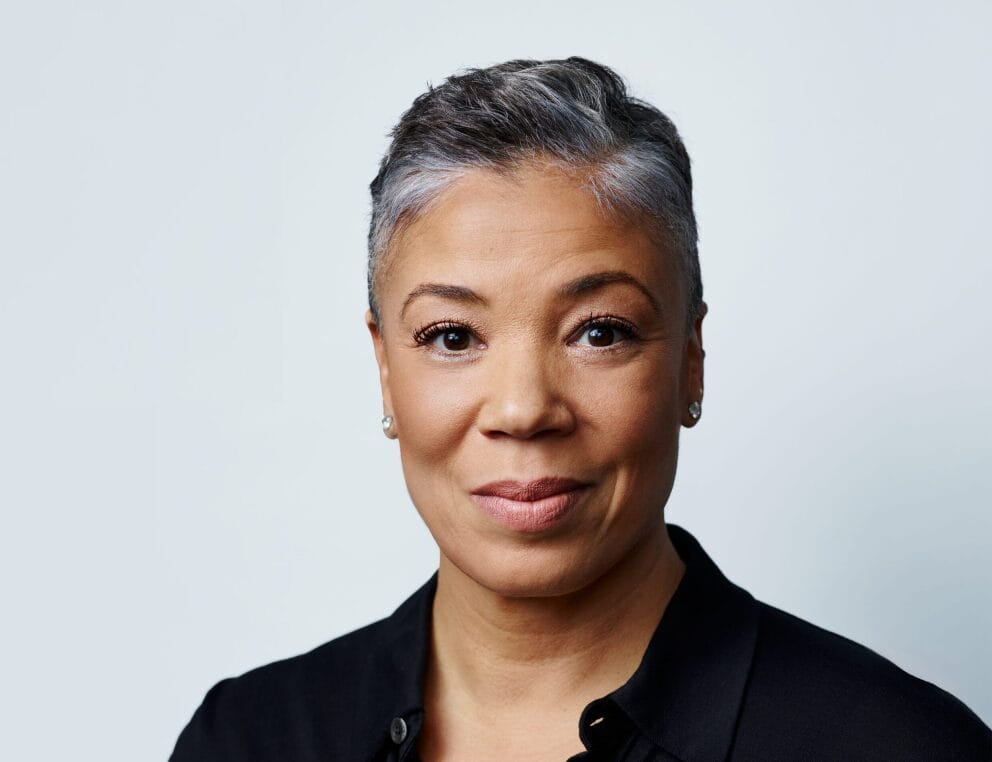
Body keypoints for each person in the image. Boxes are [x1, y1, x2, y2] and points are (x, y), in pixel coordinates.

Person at [170, 56, 990, 761]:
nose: (524, 409)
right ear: (386, 369)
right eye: (452, 336)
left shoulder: (897, 745)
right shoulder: (252, 738)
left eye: (600, 331)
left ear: (690, 362)